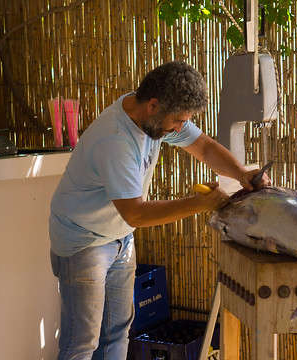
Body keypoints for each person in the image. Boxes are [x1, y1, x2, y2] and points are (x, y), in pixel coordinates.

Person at [49, 60, 271, 359]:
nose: (180, 128)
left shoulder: (150, 115)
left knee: (116, 334)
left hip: (119, 238)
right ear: (153, 105)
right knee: (82, 343)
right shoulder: (115, 140)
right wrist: (198, 204)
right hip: (83, 241)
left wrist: (240, 172)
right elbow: (136, 214)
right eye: (178, 120)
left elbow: (203, 146)